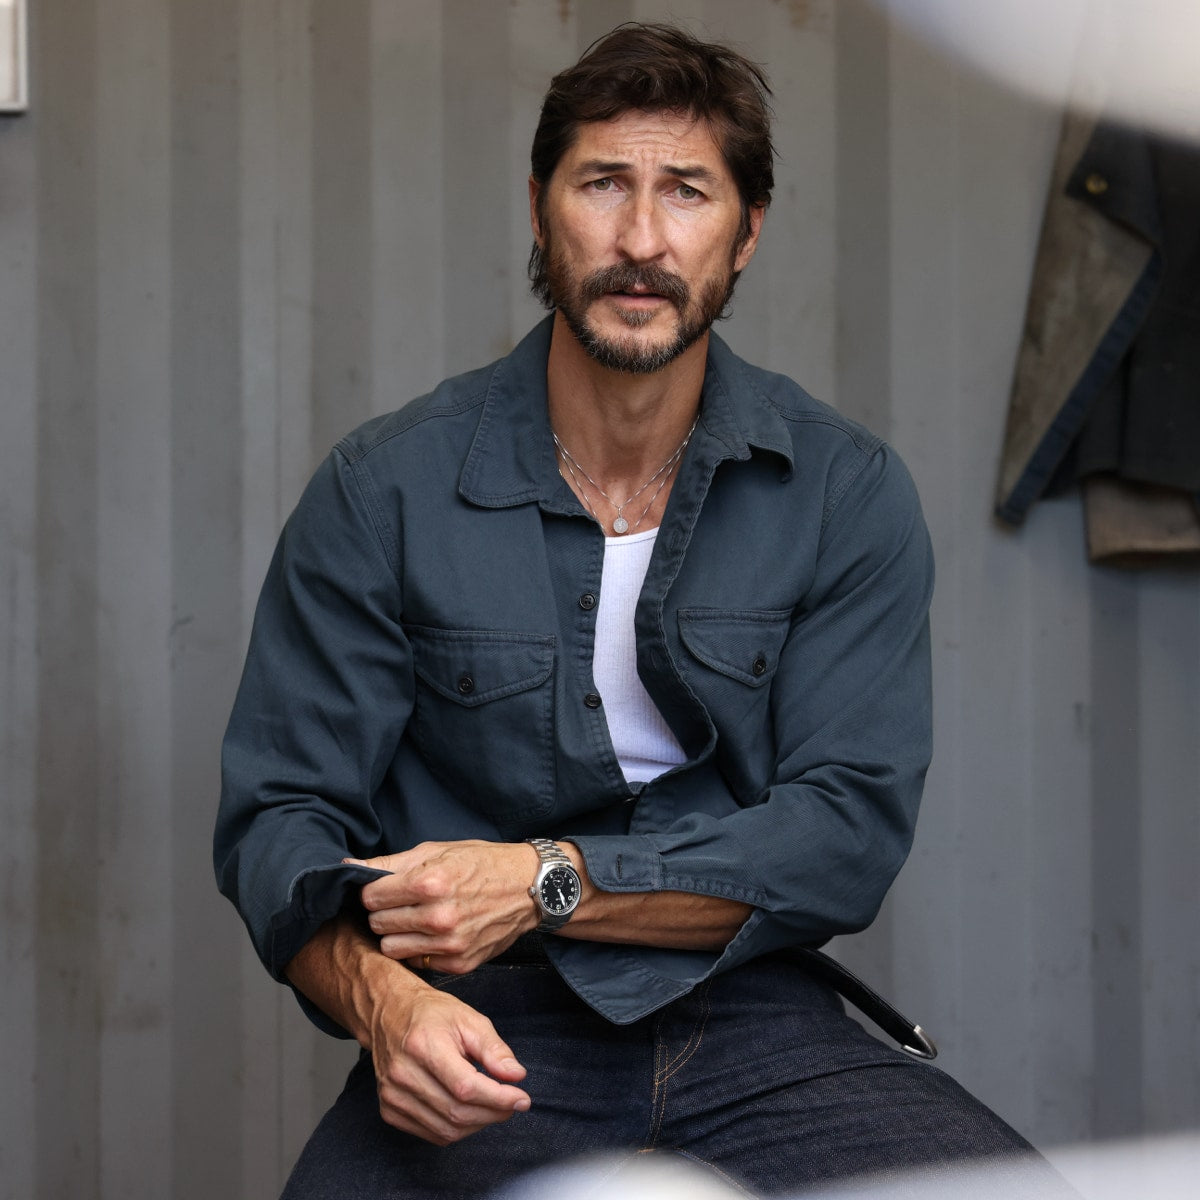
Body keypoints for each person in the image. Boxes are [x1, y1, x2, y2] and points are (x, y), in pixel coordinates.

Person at [215, 22, 1051, 1199]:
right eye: (603, 183)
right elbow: (279, 819)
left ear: (746, 232)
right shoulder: (384, 489)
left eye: (688, 192)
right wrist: (384, 1002)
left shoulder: (841, 492)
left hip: (750, 1012)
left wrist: (544, 879)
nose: (643, 241)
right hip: (488, 1023)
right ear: (539, 208)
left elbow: (844, 836)